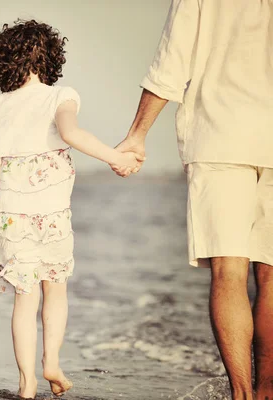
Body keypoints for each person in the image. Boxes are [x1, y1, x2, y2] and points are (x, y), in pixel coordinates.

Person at [0, 20, 143, 399]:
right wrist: (115, 158)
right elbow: (72, 134)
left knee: (25, 300)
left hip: (12, 217)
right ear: (50, 58)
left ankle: (26, 383)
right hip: (54, 216)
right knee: (55, 291)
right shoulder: (61, 96)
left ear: (3, 62)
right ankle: (51, 360)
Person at [114, 1, 273, 399]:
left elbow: (172, 61)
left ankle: (242, 395)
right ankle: (268, 390)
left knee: (228, 273)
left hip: (221, 134)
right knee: (272, 276)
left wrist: (137, 134)